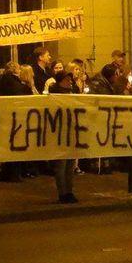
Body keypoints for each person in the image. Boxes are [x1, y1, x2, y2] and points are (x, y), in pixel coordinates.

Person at [49, 70, 79, 203]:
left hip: (72, 133)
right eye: (67, 79)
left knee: (70, 165)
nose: (70, 82)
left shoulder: (73, 94)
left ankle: (69, 191)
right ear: (60, 81)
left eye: (70, 79)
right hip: (59, 135)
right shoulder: (54, 95)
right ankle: (62, 193)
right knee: (61, 165)